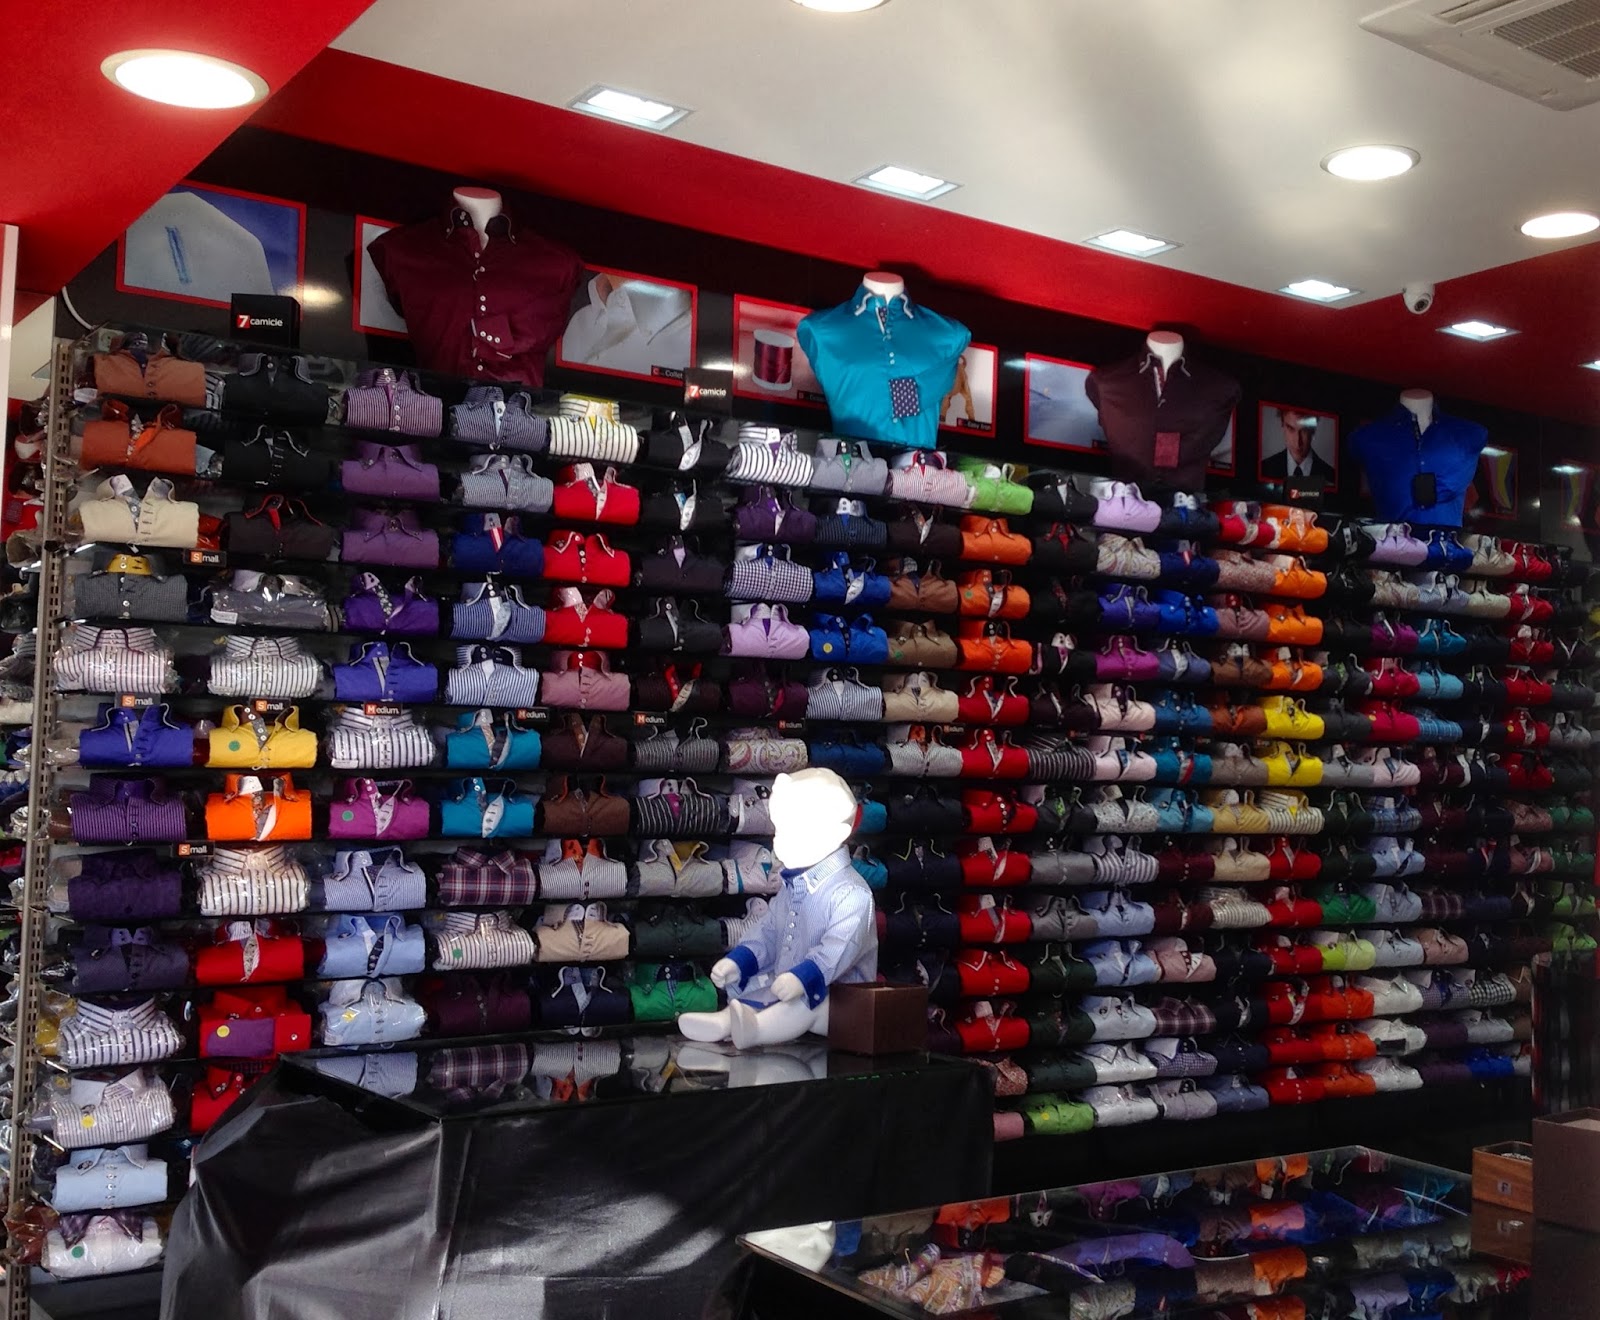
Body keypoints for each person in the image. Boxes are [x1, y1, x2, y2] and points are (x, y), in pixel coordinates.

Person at [1262, 410, 1336, 484]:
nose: (1297, 442)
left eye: (1304, 430)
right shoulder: (1264, 469)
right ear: (1282, 425)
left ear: (1313, 430)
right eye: (1291, 429)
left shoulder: (1331, 476)